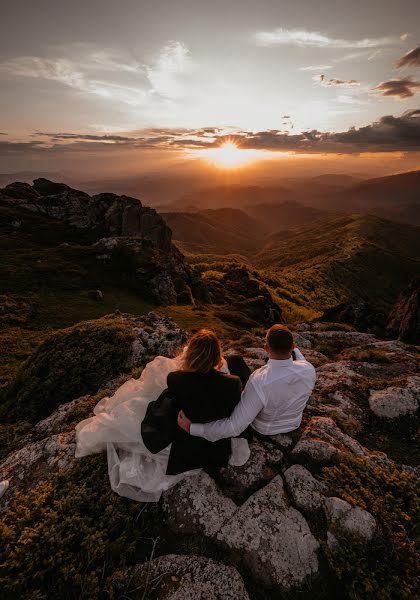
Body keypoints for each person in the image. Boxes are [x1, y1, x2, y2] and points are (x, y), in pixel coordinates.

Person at [74, 329, 250, 502]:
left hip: (185, 449)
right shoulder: (233, 383)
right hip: (216, 449)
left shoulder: (176, 379)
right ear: (217, 356)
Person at [178, 324, 316, 441]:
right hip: (293, 423)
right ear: (292, 346)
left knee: (236, 366)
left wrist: (192, 428)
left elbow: (234, 427)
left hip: (264, 429)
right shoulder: (309, 369)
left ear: (266, 348)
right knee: (236, 361)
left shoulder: (259, 381)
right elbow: (301, 361)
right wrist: (295, 350)